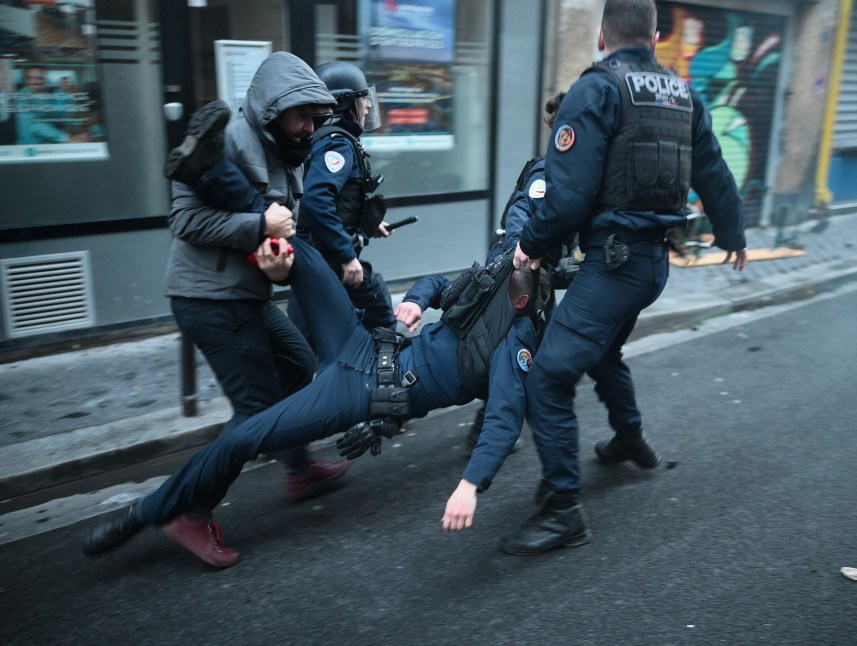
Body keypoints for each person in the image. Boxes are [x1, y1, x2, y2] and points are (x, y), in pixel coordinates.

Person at [81, 229, 542, 567]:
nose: (515, 254)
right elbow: (441, 284)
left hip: (359, 392)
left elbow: (503, 420)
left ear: (538, 278)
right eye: (517, 248)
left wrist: (469, 485)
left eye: (527, 255)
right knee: (299, 249)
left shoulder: (514, 339)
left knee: (247, 435)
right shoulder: (494, 282)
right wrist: (417, 300)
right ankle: (234, 272)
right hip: (362, 344)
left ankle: (152, 512)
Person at [503, 0, 749, 555]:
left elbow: (567, 196)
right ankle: (630, 437)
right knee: (604, 349)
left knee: (547, 376)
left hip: (614, 264)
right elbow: (713, 170)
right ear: (657, 37)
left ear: (601, 37)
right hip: (654, 265)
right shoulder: (684, 93)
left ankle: (563, 509)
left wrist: (531, 248)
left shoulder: (596, 89)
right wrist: (734, 235)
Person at [161, 52, 350, 506]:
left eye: (315, 117)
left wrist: (279, 260)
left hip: (248, 293)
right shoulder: (224, 139)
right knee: (253, 411)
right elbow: (184, 221)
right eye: (303, 115)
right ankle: (186, 508)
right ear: (274, 108)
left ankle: (297, 465)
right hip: (208, 297)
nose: (311, 126)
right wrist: (259, 227)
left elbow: (281, 232)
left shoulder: (287, 153)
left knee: (297, 360)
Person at [464, 92, 574, 453]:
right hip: (519, 271)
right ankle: (490, 430)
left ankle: (494, 426)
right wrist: (522, 260)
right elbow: (520, 214)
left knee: (527, 349)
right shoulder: (547, 171)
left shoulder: (567, 170)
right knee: (522, 349)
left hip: (533, 272)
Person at [289, 60, 397, 334]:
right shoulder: (337, 143)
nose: (369, 105)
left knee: (313, 337)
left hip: (320, 256)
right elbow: (316, 201)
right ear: (345, 103)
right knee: (380, 312)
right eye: (364, 98)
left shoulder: (331, 139)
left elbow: (338, 202)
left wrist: (368, 224)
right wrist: (348, 256)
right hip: (325, 258)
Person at [14, 64, 90, 145]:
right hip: (30, 146)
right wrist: (66, 137)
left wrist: (78, 121)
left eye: (39, 78)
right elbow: (33, 123)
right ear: (25, 79)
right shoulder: (21, 97)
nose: (33, 82)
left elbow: (53, 116)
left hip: (47, 143)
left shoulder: (44, 95)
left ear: (45, 80)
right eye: (29, 78)